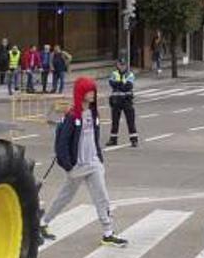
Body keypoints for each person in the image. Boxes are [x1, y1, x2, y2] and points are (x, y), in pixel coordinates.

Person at [40, 76, 128, 247]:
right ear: (81, 93)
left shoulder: (93, 114)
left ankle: (108, 233)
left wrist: (99, 159)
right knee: (65, 196)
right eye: (89, 91)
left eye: (93, 90)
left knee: (102, 197)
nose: (93, 94)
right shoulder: (72, 116)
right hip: (77, 166)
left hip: (93, 163)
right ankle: (43, 222)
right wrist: (68, 165)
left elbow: (94, 138)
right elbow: (62, 143)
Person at [106, 57, 138, 147]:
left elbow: (128, 86)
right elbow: (112, 84)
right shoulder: (114, 74)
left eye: (123, 65)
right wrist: (121, 84)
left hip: (127, 100)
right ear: (117, 65)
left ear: (126, 65)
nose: (122, 67)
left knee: (130, 121)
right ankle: (113, 139)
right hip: (116, 101)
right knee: (115, 122)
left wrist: (118, 84)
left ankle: (134, 140)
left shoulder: (130, 74)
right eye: (120, 65)